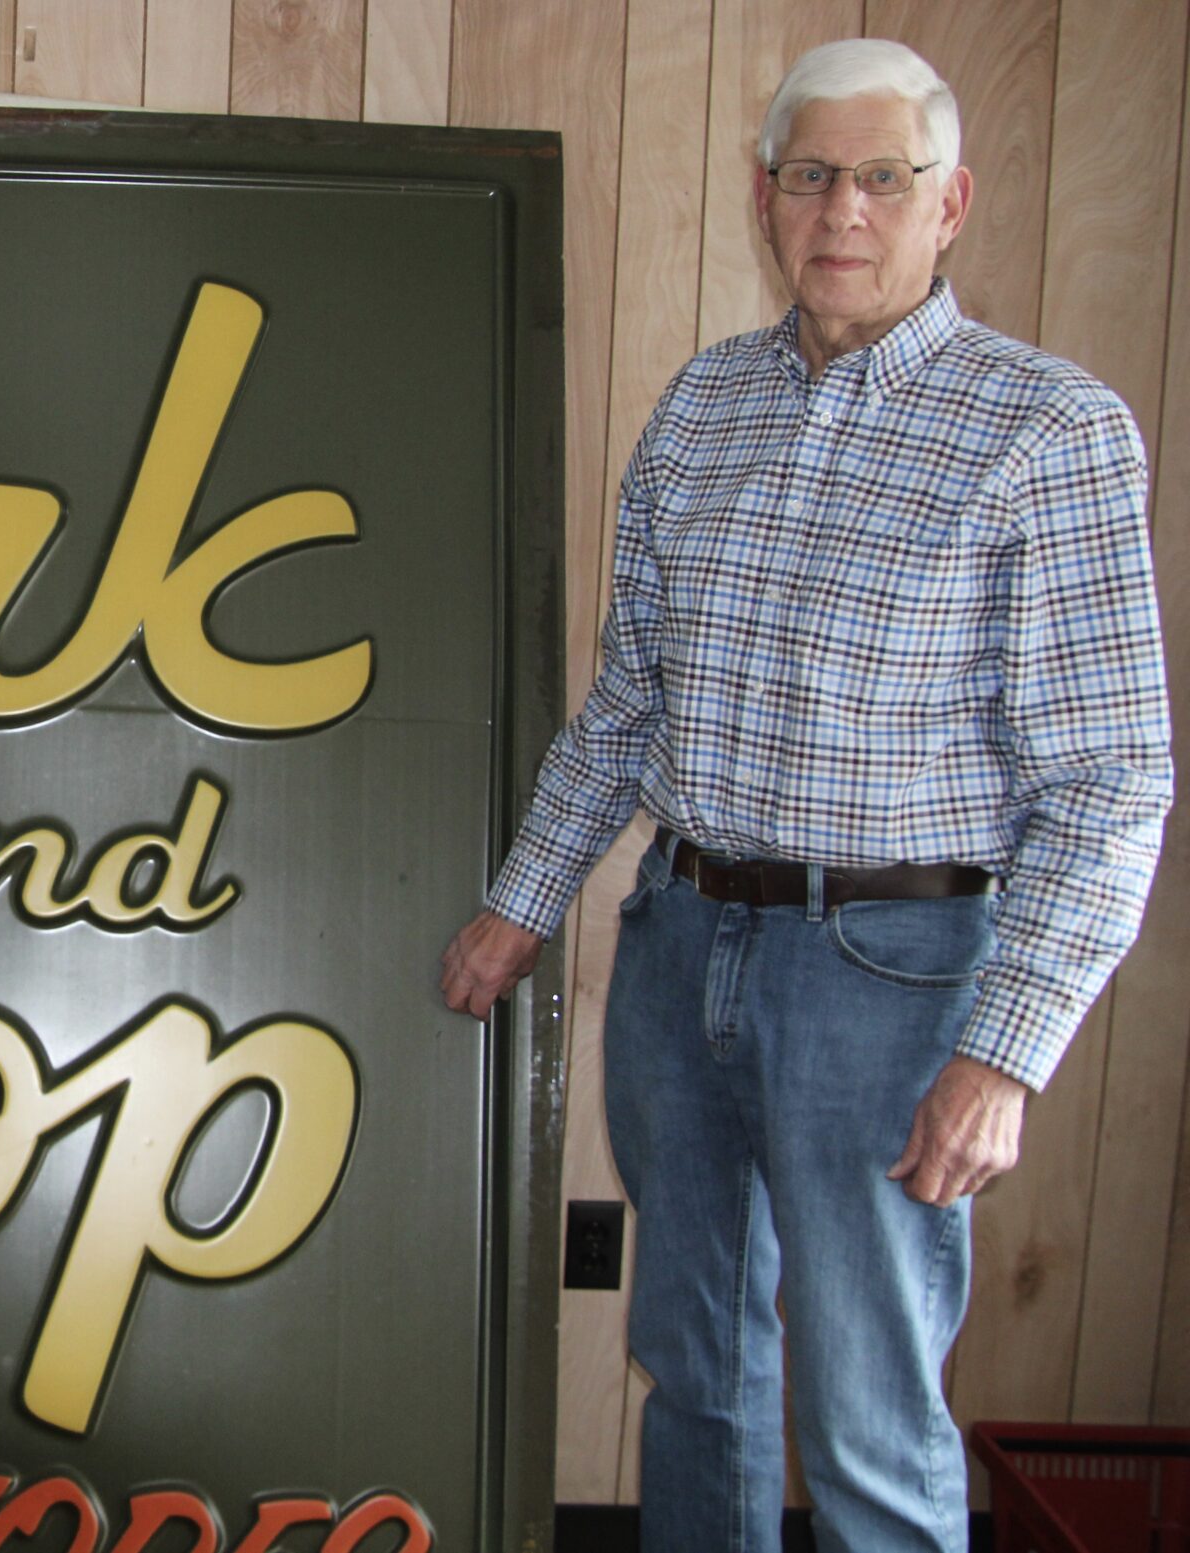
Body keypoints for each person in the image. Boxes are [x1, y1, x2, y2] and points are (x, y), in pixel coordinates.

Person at [440, 38, 1170, 1553]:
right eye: (811, 174)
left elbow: (1110, 784)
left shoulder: (1050, 432)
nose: (844, 208)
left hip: (892, 983)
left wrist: (1007, 1057)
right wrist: (522, 906)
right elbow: (628, 702)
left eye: (882, 177)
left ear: (949, 202)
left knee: (866, 1407)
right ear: (766, 197)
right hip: (682, 944)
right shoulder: (702, 408)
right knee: (695, 1369)